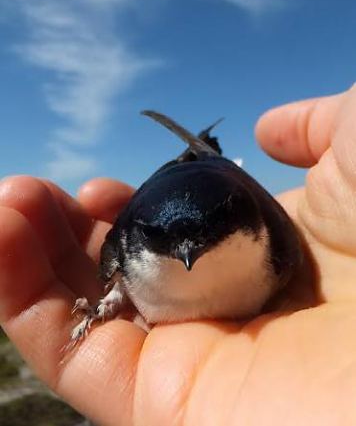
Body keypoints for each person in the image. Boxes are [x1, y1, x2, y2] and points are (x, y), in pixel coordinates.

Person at [1, 86, 356, 426]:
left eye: (213, 232)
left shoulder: (276, 243)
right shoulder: (124, 244)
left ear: (247, 223)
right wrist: (111, 298)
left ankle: (201, 157)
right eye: (159, 240)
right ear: (134, 241)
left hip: (216, 175)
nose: (189, 254)